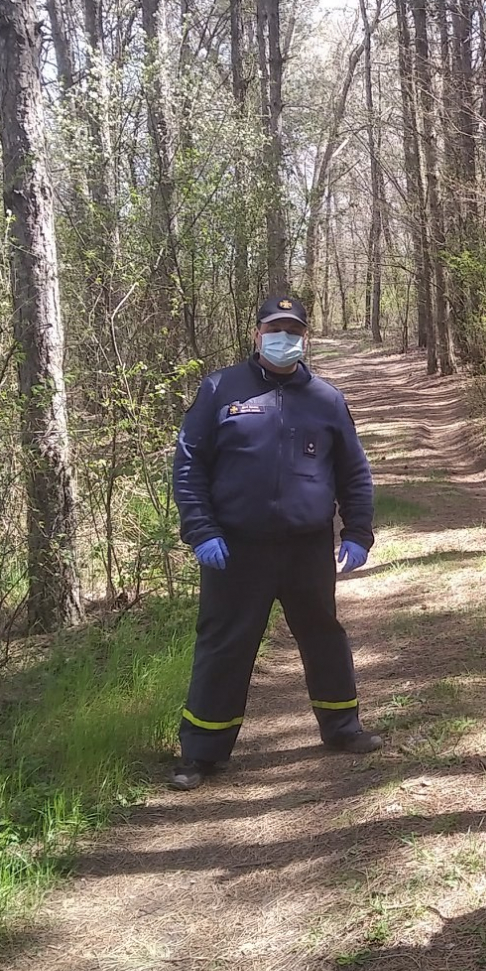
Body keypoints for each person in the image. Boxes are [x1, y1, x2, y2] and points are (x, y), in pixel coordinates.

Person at [169, 294, 382, 790]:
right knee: (226, 645)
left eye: (293, 331)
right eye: (274, 330)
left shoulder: (327, 399)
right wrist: (201, 530)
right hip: (235, 549)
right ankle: (201, 752)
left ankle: (343, 728)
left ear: (305, 339)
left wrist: (357, 532)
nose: (284, 339)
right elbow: (188, 466)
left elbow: (354, 472)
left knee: (323, 637)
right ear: (257, 335)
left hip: (307, 547)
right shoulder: (220, 388)